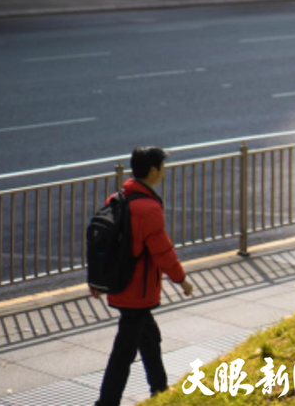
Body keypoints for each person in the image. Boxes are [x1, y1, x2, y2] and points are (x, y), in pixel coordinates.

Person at [93, 146, 193, 406]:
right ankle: (106, 403)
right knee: (123, 354)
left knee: (150, 338)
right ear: (152, 170)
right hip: (137, 291)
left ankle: (160, 390)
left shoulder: (118, 197)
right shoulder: (148, 208)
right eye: (162, 167)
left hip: (120, 285)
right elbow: (163, 252)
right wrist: (182, 280)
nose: (163, 172)